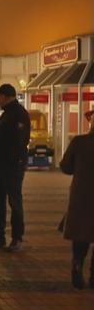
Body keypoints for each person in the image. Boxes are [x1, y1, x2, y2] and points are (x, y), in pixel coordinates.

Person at [0, 84, 31, 252]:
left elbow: (18, 141)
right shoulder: (7, 114)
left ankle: (16, 237)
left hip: (12, 165)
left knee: (14, 200)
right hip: (2, 164)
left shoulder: (18, 114)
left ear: (6, 96)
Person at [60, 109, 94, 289]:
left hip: (82, 194)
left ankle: (77, 265)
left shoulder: (79, 142)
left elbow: (65, 167)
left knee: (81, 234)